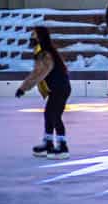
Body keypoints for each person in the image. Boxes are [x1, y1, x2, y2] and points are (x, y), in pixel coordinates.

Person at [16, 26, 72, 159]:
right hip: (56, 89)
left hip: (60, 88)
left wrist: (23, 88)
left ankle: (63, 147)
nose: (31, 39)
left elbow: (38, 74)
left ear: (40, 38)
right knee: (48, 114)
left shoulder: (46, 54)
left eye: (34, 36)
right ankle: (48, 143)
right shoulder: (42, 52)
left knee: (55, 116)